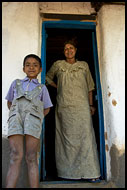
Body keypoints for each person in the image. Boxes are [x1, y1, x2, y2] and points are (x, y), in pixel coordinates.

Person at [46, 39, 101, 182]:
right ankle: (67, 173)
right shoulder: (58, 65)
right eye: (65, 49)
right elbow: (46, 78)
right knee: (66, 141)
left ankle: (91, 173)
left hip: (82, 107)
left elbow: (90, 87)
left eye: (71, 48)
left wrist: (90, 105)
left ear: (76, 50)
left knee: (86, 138)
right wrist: (59, 87)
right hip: (64, 108)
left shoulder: (83, 65)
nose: (68, 51)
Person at [5, 54, 53, 188]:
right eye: (28, 65)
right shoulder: (16, 84)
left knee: (31, 157)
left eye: (35, 65)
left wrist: (36, 118)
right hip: (16, 119)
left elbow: (47, 108)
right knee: (15, 155)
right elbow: (10, 102)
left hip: (33, 121)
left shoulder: (42, 88)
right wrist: (15, 114)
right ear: (23, 68)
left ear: (40, 69)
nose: (31, 67)